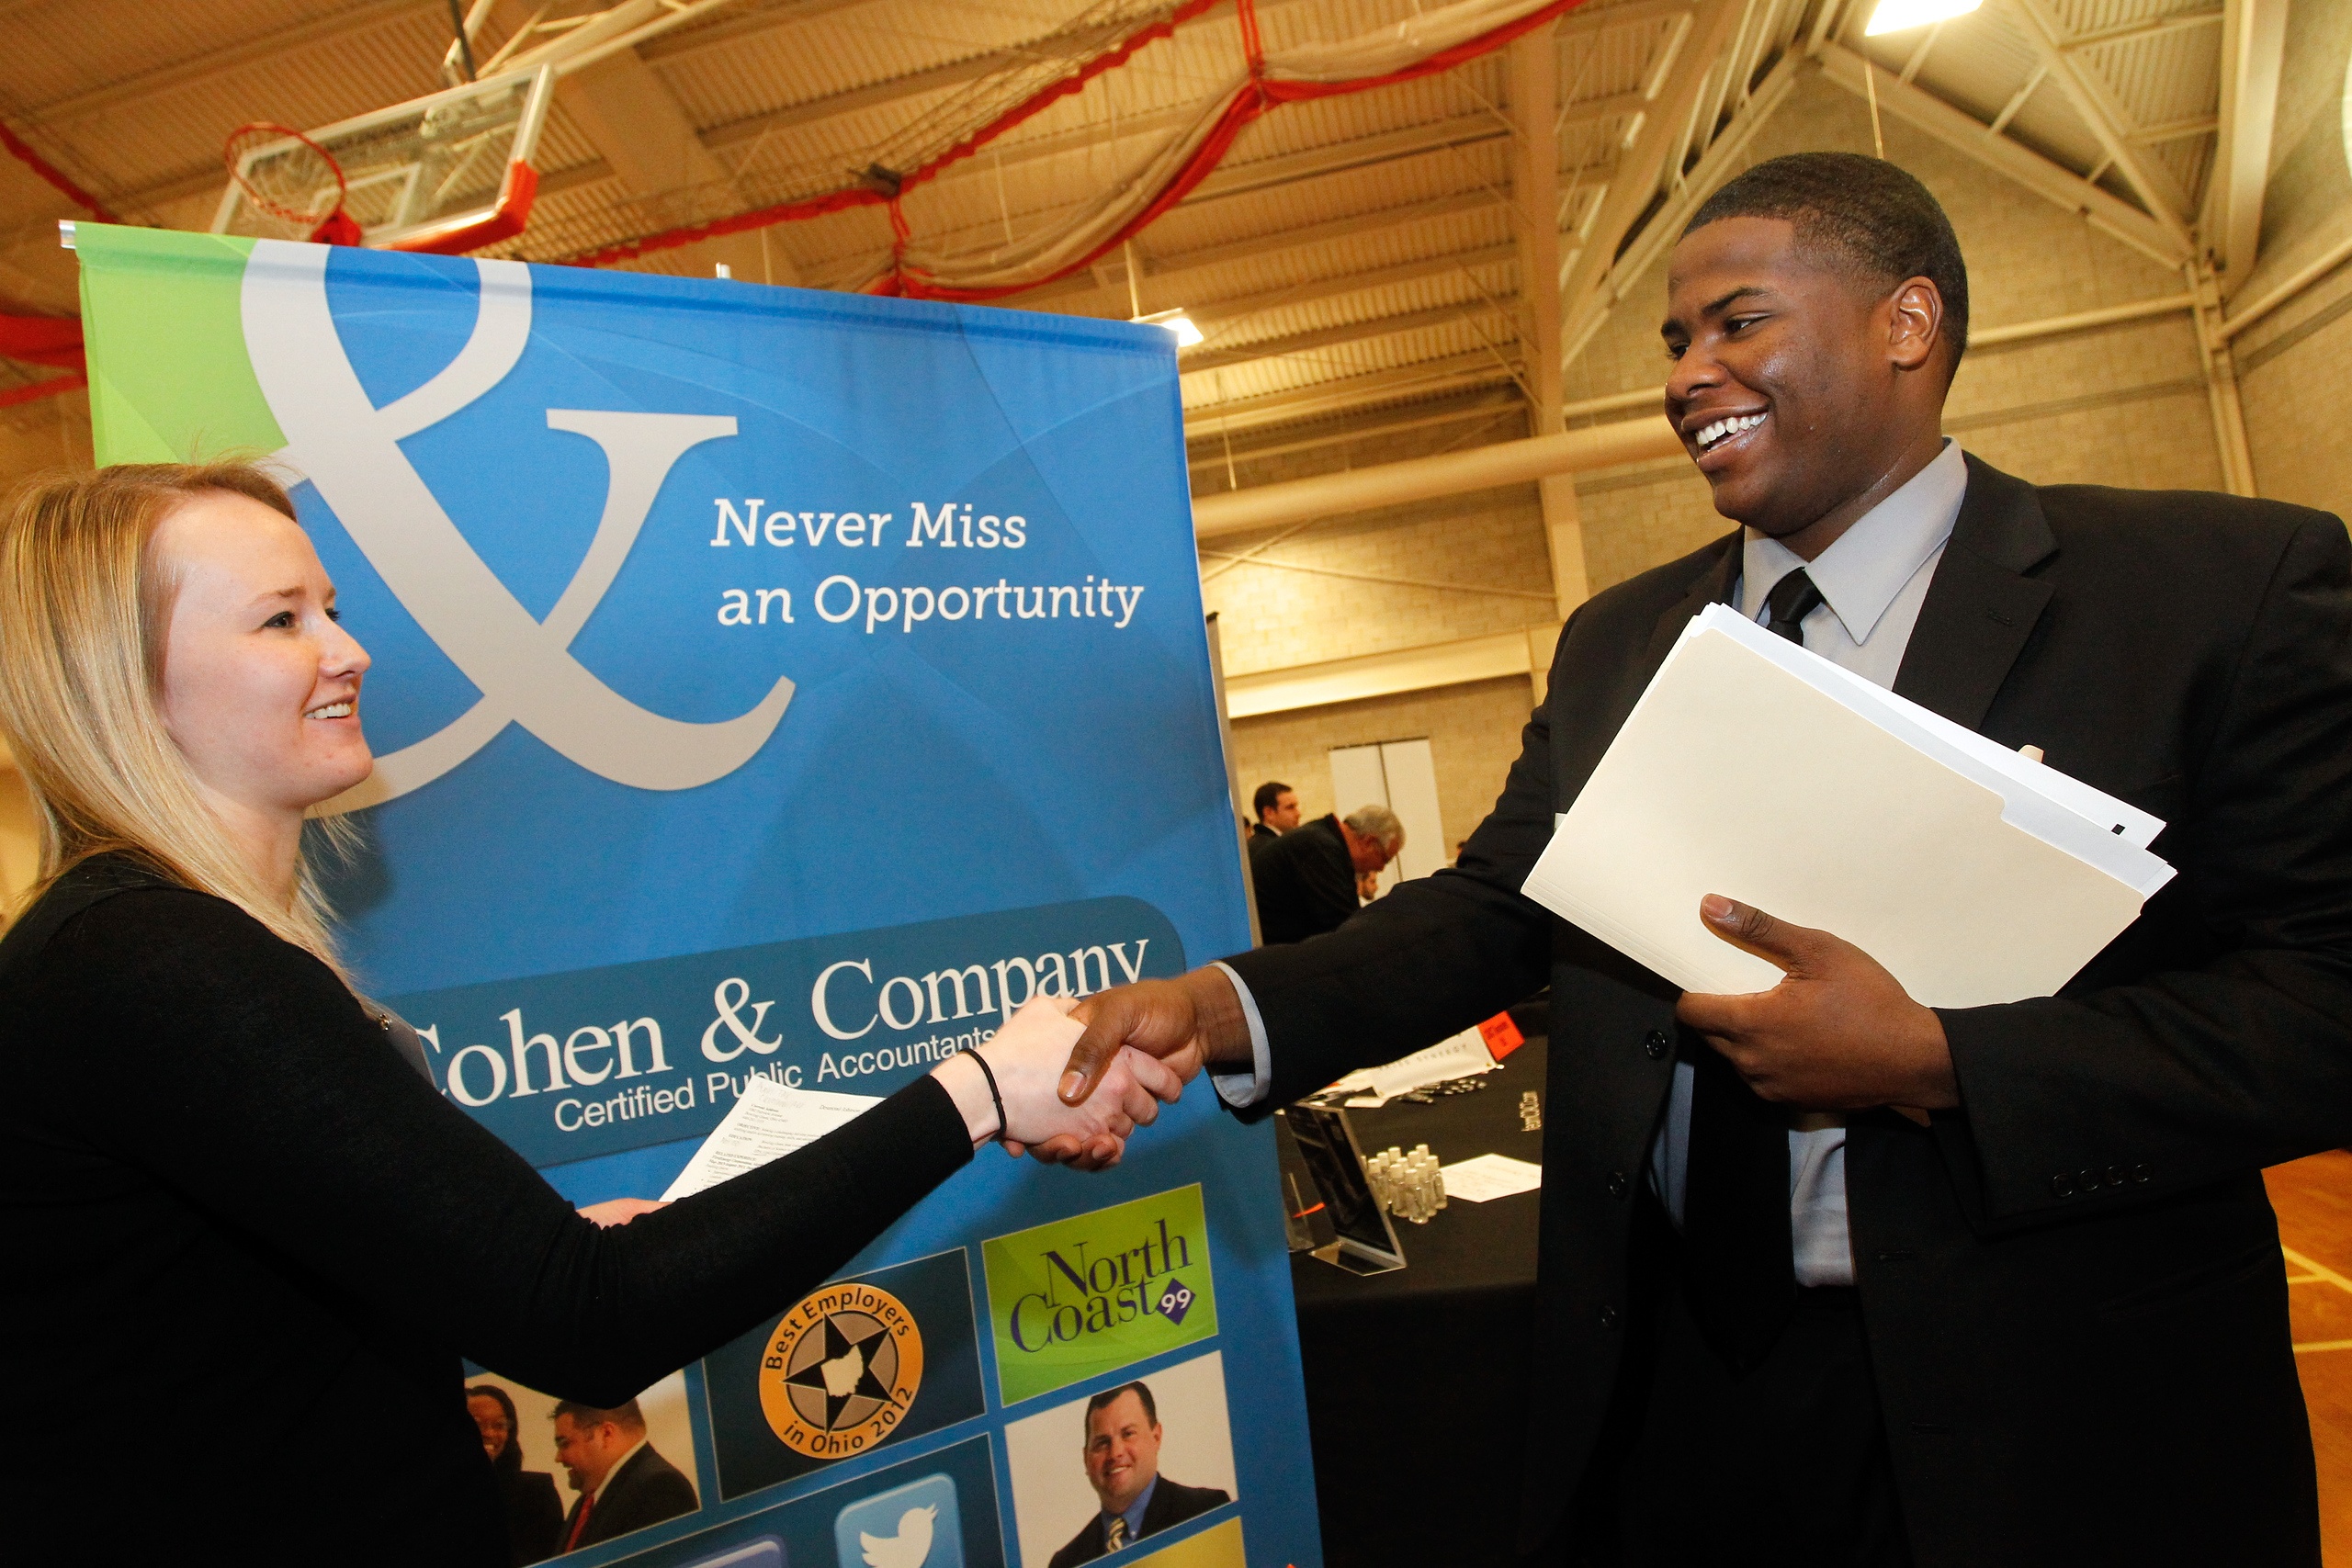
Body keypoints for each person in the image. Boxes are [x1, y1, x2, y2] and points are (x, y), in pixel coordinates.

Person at [1050, 152, 2352, 1566]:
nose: (1688, 374)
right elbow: (1498, 906)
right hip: (1674, 1397)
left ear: (1907, 324)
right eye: (1676, 340)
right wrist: (1228, 1005)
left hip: (2054, 1405)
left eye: (1739, 322)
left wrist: (1941, 1062)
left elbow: (2325, 1001)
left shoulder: (2216, 593)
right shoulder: (1618, 638)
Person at [0, 463, 1182, 1563]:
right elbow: (588, 1322)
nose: (350, 651)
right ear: (127, 681)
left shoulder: (146, 947)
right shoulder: (151, 958)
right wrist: (975, 1092)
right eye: (281, 620)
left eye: (332, 607)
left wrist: (536, 1242)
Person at [1046, 1382, 1230, 1568]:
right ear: (1086, 1459)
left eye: (1128, 1434)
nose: (1115, 1453)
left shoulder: (1207, 1513)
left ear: (1156, 1438)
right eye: (1102, 1443)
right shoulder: (1065, 1563)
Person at [548, 1399, 697, 1551]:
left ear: (606, 1434)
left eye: (564, 1444)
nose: (558, 1457)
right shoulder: (586, 1502)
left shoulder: (661, 1489)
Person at [1246, 805, 1401, 944]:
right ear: (1368, 842)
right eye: (1384, 859)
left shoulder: (1322, 839)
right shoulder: (1320, 848)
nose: (1381, 868)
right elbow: (1344, 928)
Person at [469, 1382, 565, 1565]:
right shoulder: (434, 1495)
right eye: (477, 1424)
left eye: (499, 1425)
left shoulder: (536, 1492)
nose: (489, 1433)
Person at [1248, 781, 1299, 845]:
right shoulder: (1268, 848)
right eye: (1290, 807)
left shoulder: (1279, 842)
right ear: (1269, 813)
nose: (1298, 813)